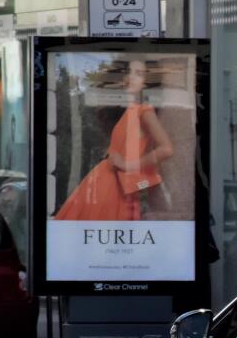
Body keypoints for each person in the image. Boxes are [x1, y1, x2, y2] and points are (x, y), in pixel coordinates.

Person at [54, 58, 174, 221]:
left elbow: (166, 149)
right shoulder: (132, 110)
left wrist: (128, 165)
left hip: (116, 185)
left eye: (138, 74)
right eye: (128, 73)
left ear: (147, 83)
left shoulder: (144, 110)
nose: (130, 78)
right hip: (105, 180)